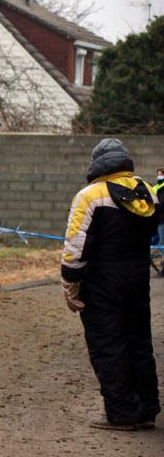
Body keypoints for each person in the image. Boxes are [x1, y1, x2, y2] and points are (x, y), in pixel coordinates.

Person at [61, 138, 160, 431]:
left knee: (108, 344)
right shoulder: (147, 192)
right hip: (138, 277)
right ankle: (146, 410)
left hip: (101, 281)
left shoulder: (90, 195)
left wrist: (70, 283)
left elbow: (75, 247)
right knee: (139, 342)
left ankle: (121, 414)